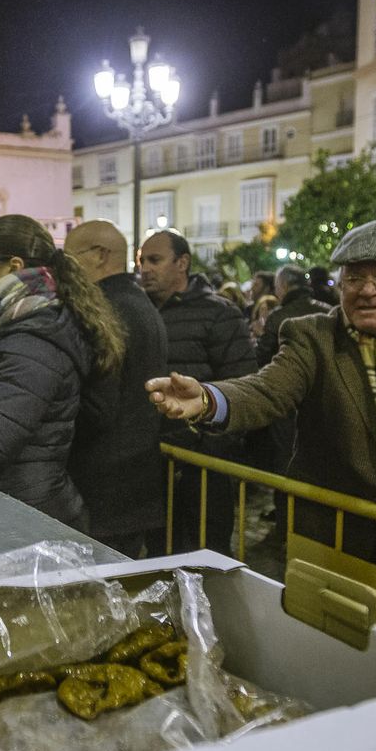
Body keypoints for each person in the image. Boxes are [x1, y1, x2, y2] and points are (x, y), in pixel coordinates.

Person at [146, 219, 376, 640]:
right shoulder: (313, 335)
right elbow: (268, 390)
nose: (367, 290)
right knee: (342, 657)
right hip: (344, 543)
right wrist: (209, 399)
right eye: (354, 278)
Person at [0, 214, 124, 529]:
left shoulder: (33, 337)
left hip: (27, 515)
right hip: (14, 504)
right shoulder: (20, 327)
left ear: (13, 267)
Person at [137, 229, 257, 555]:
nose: (145, 267)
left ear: (182, 262)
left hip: (201, 470)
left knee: (205, 556)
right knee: (159, 557)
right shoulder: (139, 311)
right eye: (141, 260)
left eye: (155, 259)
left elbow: (243, 388)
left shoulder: (219, 314)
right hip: (151, 465)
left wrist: (206, 444)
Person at [65, 219, 169, 555]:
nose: (65, 269)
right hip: (133, 482)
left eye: (70, 258)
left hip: (104, 486)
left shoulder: (104, 309)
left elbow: (99, 405)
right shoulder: (138, 302)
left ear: (99, 255)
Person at [256, 263, 330, 367]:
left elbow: (262, 356)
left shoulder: (277, 316)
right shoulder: (327, 310)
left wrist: (260, 335)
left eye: (276, 287)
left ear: (284, 286)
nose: (276, 292)